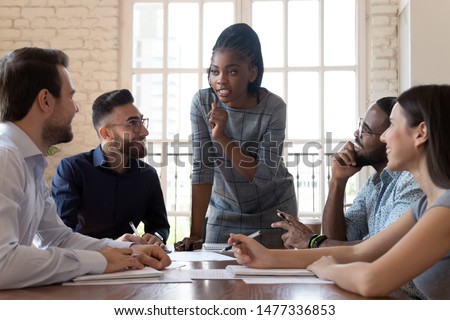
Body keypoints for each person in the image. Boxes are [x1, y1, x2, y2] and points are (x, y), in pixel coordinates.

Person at [229, 84, 450, 299]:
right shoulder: (426, 206)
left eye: (392, 125)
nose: (384, 137)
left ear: (421, 133)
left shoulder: (445, 210)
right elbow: (360, 252)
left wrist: (328, 269)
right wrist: (267, 257)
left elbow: (371, 280)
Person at [0, 47, 170, 290]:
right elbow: (3, 264)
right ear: (45, 100)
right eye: (70, 96)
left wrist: (130, 249)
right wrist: (100, 260)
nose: (76, 108)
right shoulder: (5, 158)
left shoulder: (28, 161)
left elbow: (58, 238)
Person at [273, 97, 425, 299]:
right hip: (381, 293)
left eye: (366, 130)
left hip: (403, 298)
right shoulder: (374, 184)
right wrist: (337, 181)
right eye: (360, 125)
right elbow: (340, 239)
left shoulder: (413, 183)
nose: (356, 134)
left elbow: (380, 251)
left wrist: (312, 242)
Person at [178, 23, 297, 250]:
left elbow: (262, 177)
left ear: (252, 73)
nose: (221, 80)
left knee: (270, 284)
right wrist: (195, 233)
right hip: (224, 211)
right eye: (215, 71)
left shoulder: (273, 108)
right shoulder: (202, 103)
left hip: (274, 211)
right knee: (215, 280)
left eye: (232, 71)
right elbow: (202, 169)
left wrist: (222, 138)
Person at [51, 89, 170, 245]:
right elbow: (61, 234)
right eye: (133, 123)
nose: (144, 131)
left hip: (133, 265)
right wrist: (112, 245)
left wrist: (157, 237)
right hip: (85, 264)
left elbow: (160, 226)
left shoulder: (148, 175)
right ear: (106, 133)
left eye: (141, 121)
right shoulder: (72, 170)